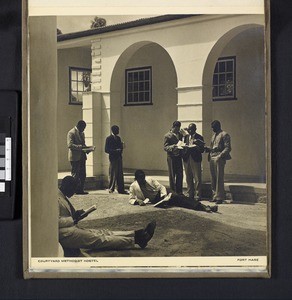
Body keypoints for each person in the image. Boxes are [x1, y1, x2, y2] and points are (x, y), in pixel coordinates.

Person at [58, 176, 156, 255]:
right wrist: (73, 219)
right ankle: (137, 240)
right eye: (73, 189)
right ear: (68, 187)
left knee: (102, 233)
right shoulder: (56, 199)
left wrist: (76, 215)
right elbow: (54, 222)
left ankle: (136, 233)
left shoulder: (60, 196)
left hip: (69, 229)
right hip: (64, 234)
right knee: (99, 239)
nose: (74, 192)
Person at [129, 170, 218, 213]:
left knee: (180, 198)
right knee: (180, 200)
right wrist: (137, 201)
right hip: (156, 200)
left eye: (143, 178)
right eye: (140, 179)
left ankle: (204, 207)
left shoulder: (149, 179)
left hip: (163, 194)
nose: (143, 181)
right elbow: (131, 198)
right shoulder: (133, 186)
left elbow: (161, 187)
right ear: (136, 179)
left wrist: (164, 196)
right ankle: (204, 207)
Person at [205, 120, 231, 204]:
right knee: (213, 178)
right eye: (212, 127)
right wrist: (207, 149)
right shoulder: (214, 135)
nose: (212, 129)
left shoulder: (224, 134)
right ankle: (214, 196)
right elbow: (213, 147)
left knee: (219, 177)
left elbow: (228, 148)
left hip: (219, 158)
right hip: (212, 157)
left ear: (218, 126)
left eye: (214, 127)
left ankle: (220, 197)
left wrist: (220, 156)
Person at [182, 123, 205, 201]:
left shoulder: (199, 137)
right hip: (187, 159)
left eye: (191, 129)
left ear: (195, 129)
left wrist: (196, 147)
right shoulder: (186, 137)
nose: (190, 131)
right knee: (188, 177)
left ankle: (198, 195)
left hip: (195, 159)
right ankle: (190, 193)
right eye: (189, 129)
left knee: (197, 177)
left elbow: (202, 149)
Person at [67, 120, 88, 195]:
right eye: (83, 128)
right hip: (75, 157)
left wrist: (87, 149)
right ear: (79, 126)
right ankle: (74, 190)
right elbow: (70, 145)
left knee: (83, 174)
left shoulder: (82, 133)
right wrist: (80, 147)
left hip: (82, 156)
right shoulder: (71, 132)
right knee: (75, 174)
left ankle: (80, 190)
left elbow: (83, 144)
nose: (84, 130)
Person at [105, 125, 128, 194]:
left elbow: (120, 148)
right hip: (113, 158)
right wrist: (115, 151)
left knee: (120, 174)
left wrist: (121, 148)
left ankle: (120, 189)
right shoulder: (108, 138)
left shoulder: (118, 138)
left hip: (119, 157)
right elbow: (106, 149)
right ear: (113, 130)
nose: (118, 131)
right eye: (117, 130)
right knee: (112, 173)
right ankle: (111, 188)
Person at [163, 121, 184, 194]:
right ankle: (173, 192)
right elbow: (165, 147)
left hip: (178, 157)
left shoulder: (180, 135)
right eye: (177, 128)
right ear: (174, 127)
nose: (178, 130)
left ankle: (179, 191)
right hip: (171, 157)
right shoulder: (167, 135)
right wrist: (173, 147)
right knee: (172, 175)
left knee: (180, 174)